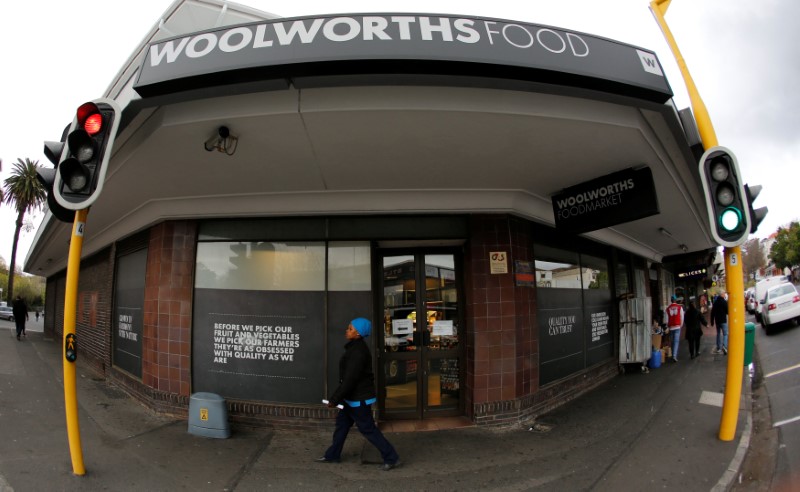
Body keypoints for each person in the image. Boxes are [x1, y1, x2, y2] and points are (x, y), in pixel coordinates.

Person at [317, 317, 400, 471]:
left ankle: (391, 457)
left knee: (368, 429)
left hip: (358, 400)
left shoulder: (358, 352)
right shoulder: (354, 348)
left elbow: (350, 380)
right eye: (348, 328)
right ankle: (332, 455)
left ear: (359, 333)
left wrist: (335, 399)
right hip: (352, 399)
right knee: (342, 425)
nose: (346, 330)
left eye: (350, 328)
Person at [664, 295, 684, 362]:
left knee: (672, 342)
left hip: (671, 327)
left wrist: (668, 326)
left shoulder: (667, 309)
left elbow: (666, 320)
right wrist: (680, 325)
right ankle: (674, 356)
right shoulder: (679, 307)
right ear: (675, 300)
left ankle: (673, 354)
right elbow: (682, 317)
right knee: (676, 341)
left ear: (671, 300)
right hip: (677, 326)